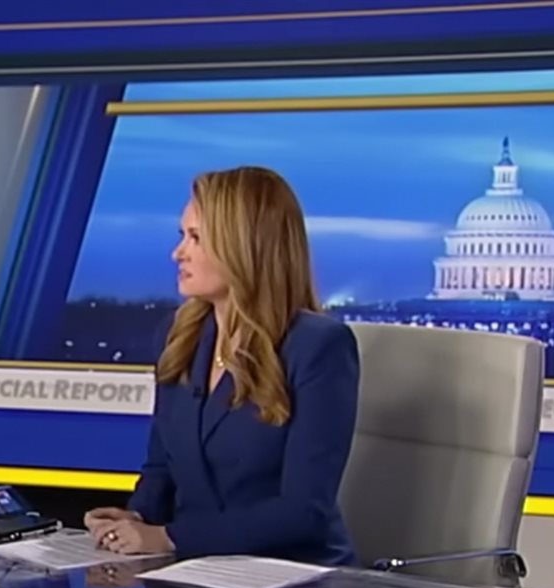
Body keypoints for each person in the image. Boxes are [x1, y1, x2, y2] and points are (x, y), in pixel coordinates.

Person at [84, 166, 359, 565]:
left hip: (289, 575)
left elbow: (304, 511)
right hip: (193, 568)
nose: (178, 253)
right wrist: (136, 519)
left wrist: (169, 537)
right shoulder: (179, 337)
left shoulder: (317, 346)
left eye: (196, 237)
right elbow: (162, 466)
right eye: (182, 235)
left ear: (243, 246)